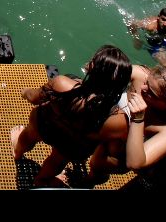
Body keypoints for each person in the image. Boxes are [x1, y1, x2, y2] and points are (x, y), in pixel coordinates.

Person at [10, 45, 132, 187]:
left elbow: (34, 98)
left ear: (91, 67)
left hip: (46, 125)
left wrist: (25, 92)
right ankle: (41, 180)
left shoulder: (63, 84)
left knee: (30, 134)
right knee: (58, 161)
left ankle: (18, 152)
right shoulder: (119, 120)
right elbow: (114, 147)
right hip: (74, 145)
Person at [91, 65, 166, 179]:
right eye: (147, 82)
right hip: (105, 124)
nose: (142, 88)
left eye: (152, 93)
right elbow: (99, 68)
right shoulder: (141, 76)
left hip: (119, 151)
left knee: (98, 163)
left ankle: (95, 175)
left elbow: (134, 163)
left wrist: (138, 120)